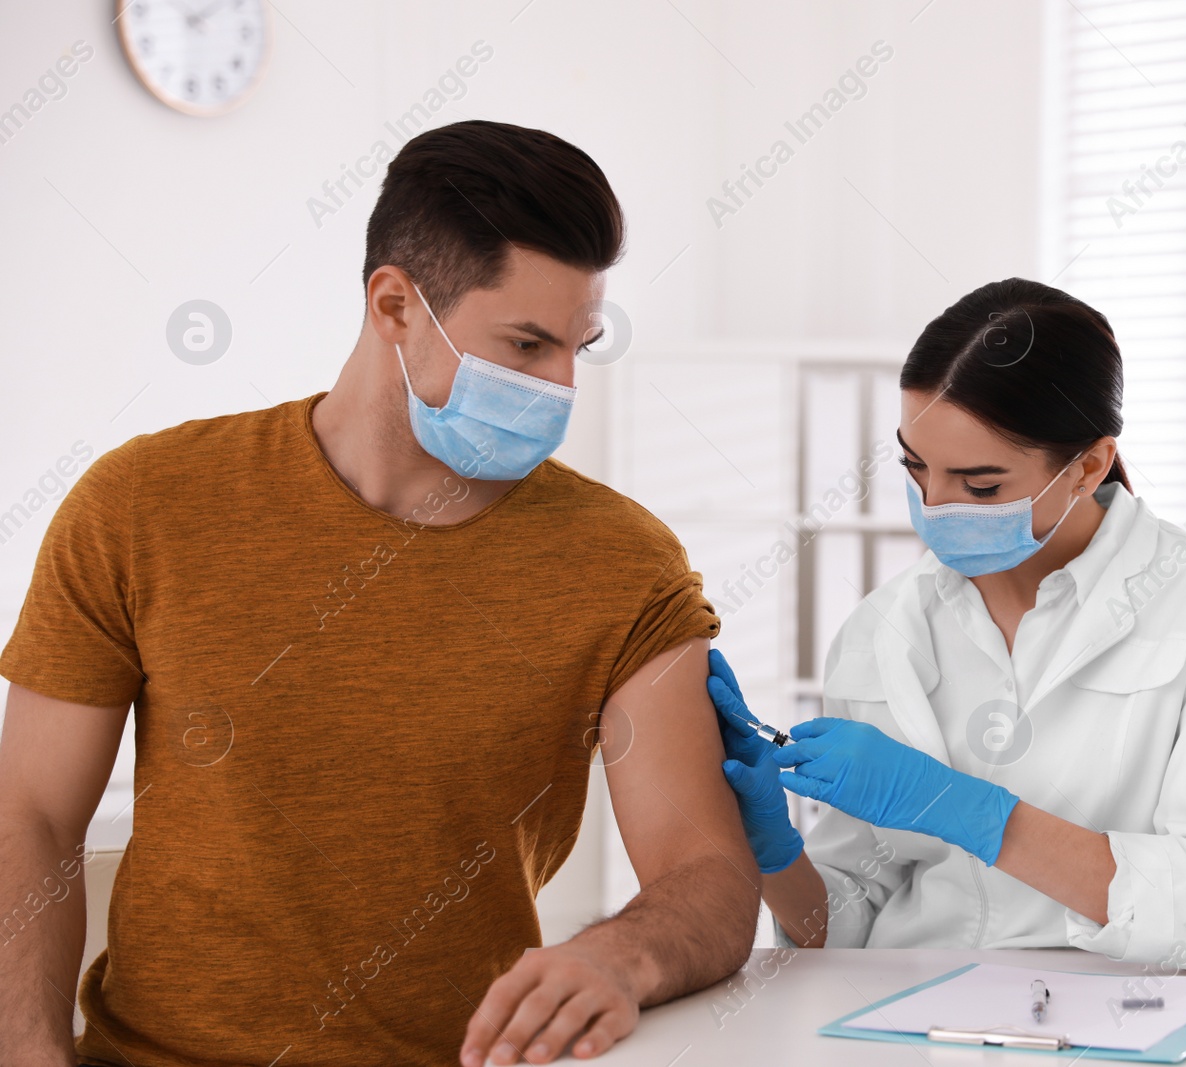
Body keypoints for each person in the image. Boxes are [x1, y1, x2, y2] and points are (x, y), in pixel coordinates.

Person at [0, 121, 759, 1067]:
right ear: (395, 304)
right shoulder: (142, 505)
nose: (562, 387)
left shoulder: (623, 565)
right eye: (525, 344)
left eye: (581, 346)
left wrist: (620, 955)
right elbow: (28, 812)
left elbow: (711, 875)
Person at [710, 278, 1186, 976]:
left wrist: (971, 812)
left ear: (1088, 466)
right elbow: (843, 932)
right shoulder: (879, 629)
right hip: (903, 1017)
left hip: (1112, 1018)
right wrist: (772, 852)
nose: (933, 505)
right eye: (915, 467)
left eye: (980, 485)